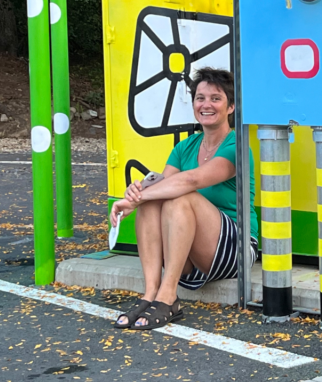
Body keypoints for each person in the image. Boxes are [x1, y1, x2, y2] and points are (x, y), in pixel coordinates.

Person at [110, 68, 257, 330]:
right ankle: (151, 294)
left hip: (235, 249)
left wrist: (134, 199)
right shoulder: (185, 147)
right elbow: (162, 186)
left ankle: (168, 296)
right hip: (193, 255)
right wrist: (140, 193)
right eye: (200, 98)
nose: (206, 104)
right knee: (154, 200)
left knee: (180, 197)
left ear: (231, 107)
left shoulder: (237, 147)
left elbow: (192, 181)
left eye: (216, 98)